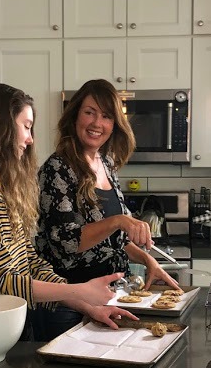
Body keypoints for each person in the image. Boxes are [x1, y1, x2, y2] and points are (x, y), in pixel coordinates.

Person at [0, 83, 133, 339]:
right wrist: (79, 291)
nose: (30, 139)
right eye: (26, 126)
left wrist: (88, 306)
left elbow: (28, 261)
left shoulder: (4, 187)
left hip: (3, 323)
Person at [36, 79, 180, 338]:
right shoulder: (57, 168)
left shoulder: (106, 163)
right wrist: (119, 220)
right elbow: (67, 243)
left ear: (114, 125)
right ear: (75, 116)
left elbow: (113, 241)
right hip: (69, 302)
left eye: (106, 116)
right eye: (89, 112)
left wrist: (148, 260)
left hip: (109, 297)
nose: (96, 123)